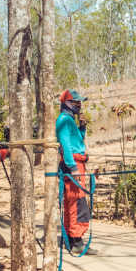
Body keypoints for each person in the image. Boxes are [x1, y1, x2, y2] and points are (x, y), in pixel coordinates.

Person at [56, 89, 91, 253]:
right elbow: (66, 146)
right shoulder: (63, 120)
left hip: (77, 163)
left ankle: (70, 239)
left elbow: (77, 141)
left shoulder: (70, 120)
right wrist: (73, 167)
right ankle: (77, 241)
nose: (80, 105)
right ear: (69, 104)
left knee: (73, 201)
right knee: (77, 201)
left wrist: (82, 126)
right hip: (73, 165)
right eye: (77, 102)